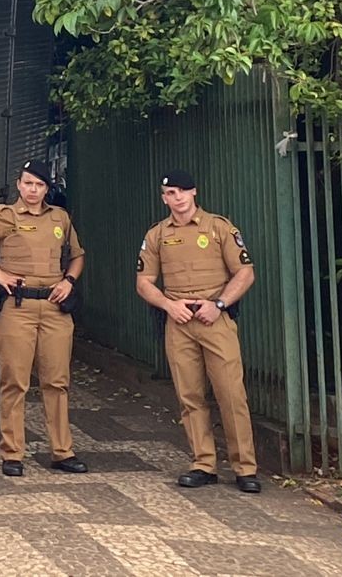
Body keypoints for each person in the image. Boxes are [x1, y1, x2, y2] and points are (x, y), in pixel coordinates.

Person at [135, 170, 261, 493]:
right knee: (189, 395)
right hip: (179, 322)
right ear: (163, 198)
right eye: (169, 194)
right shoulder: (157, 235)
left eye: (180, 192)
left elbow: (245, 273)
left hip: (213, 319)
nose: (175, 198)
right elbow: (144, 283)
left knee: (231, 394)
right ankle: (203, 463)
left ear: (193, 193)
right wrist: (167, 306)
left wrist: (218, 304)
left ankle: (245, 467)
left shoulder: (219, 228)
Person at [0, 160, 87, 476]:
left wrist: (69, 280)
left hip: (55, 309)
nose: (33, 190)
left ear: (47, 188)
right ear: (19, 184)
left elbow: (78, 255)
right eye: (28, 183)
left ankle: (62, 451)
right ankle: (12, 453)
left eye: (39, 185)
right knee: (15, 380)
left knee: (57, 381)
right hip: (17, 308)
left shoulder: (60, 217)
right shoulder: (5, 216)